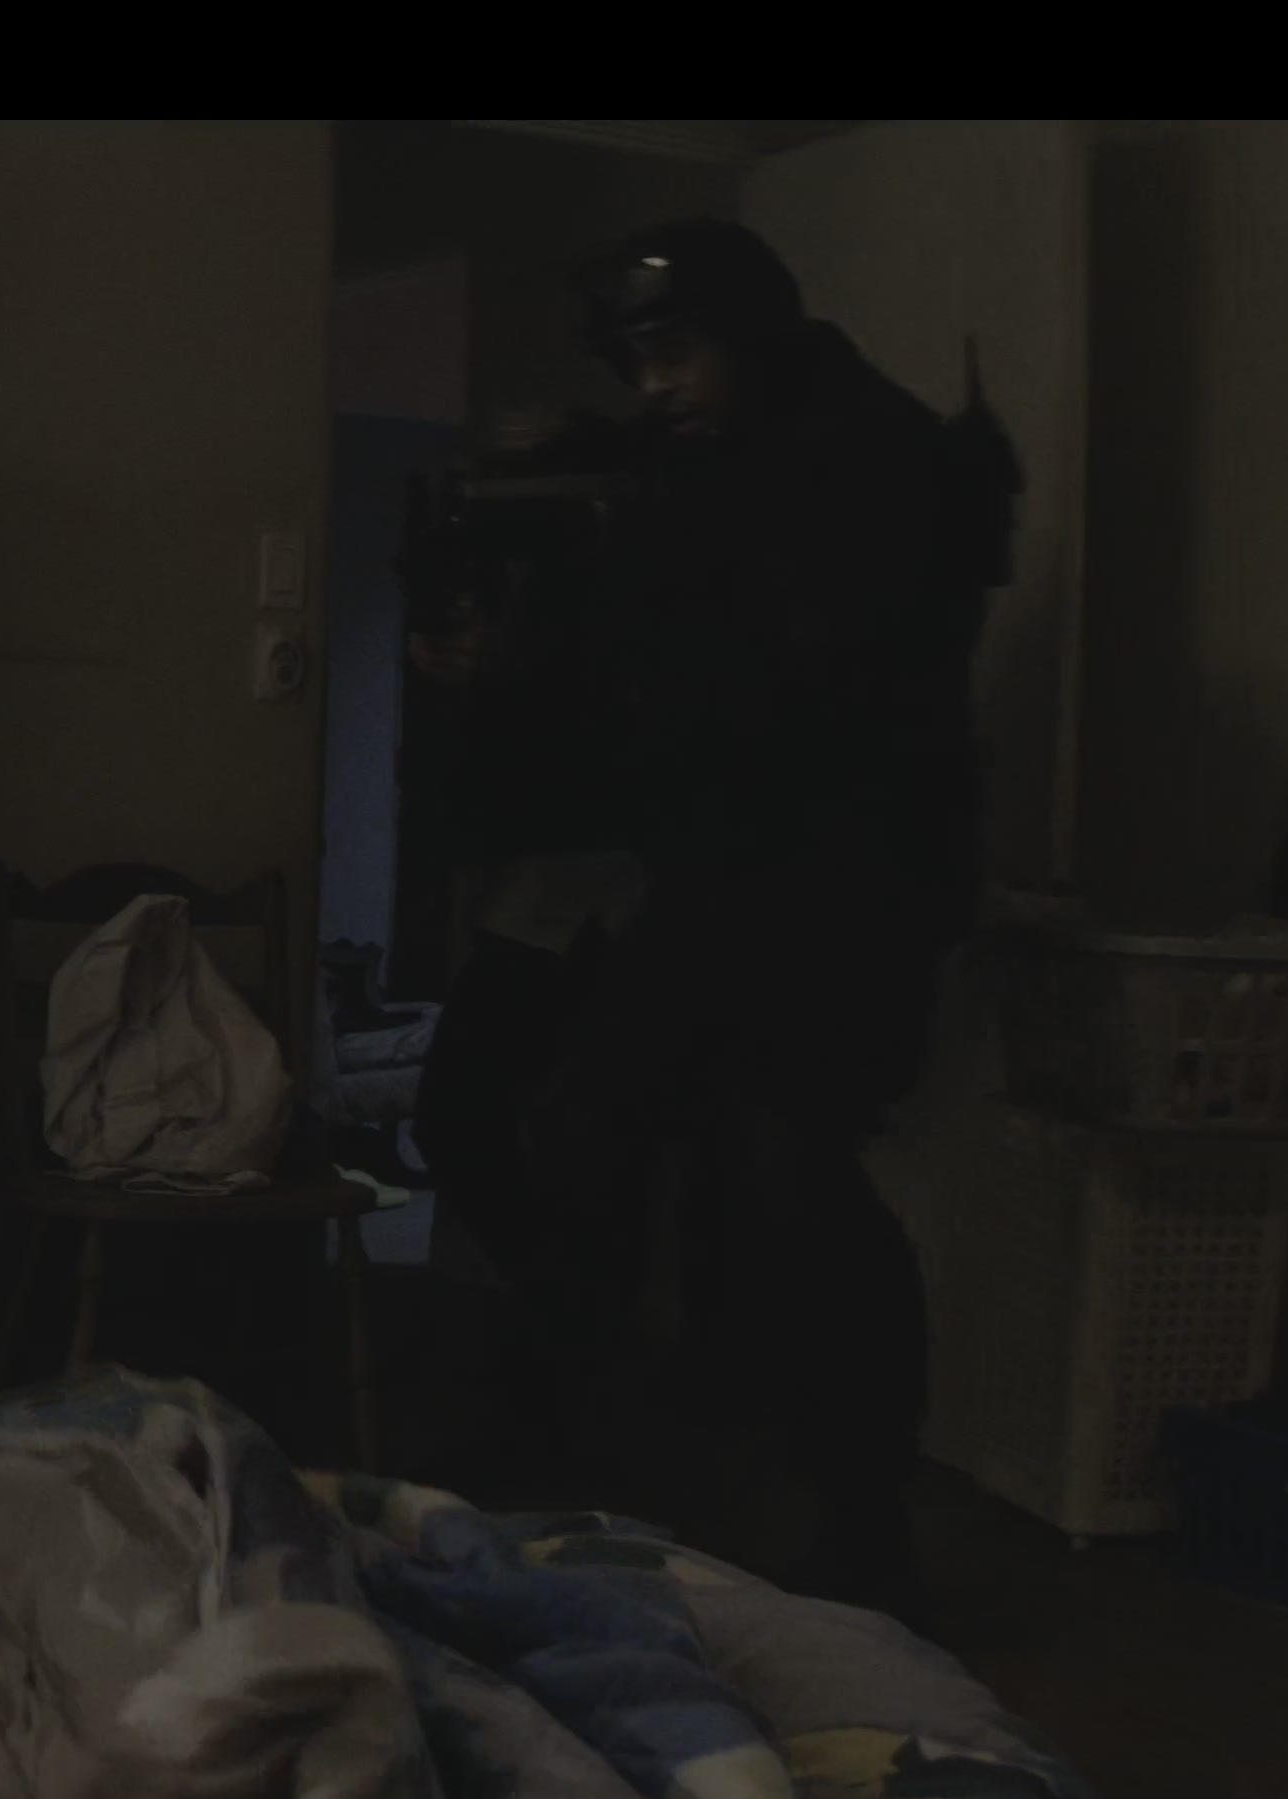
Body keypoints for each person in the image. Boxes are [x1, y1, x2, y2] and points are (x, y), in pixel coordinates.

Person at [409, 218, 1012, 1612]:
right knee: (590, 1131)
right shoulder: (710, 458)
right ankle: (572, 1432)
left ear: (748, 332)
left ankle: (865, 1523)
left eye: (675, 351)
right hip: (720, 875)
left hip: (841, 888)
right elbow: (657, 676)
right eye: (638, 361)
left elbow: (794, 691)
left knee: (792, 1175)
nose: (657, 383)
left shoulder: (865, 458)